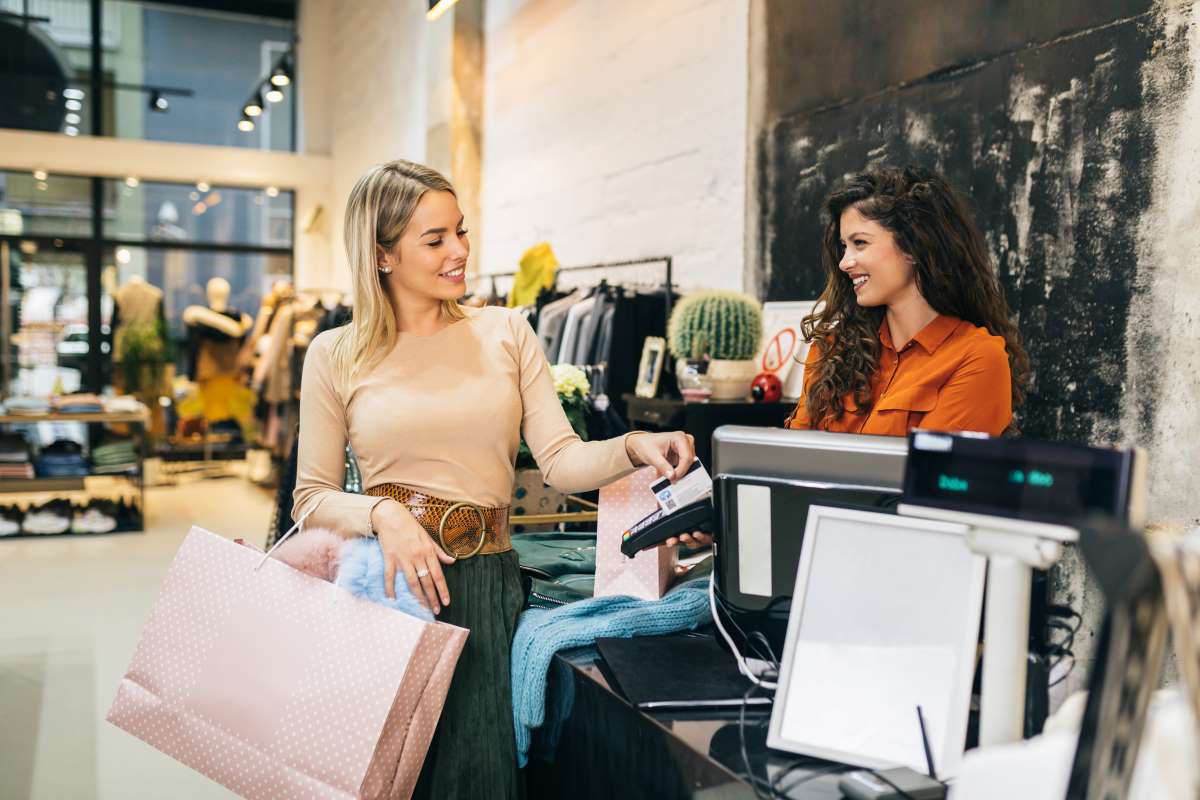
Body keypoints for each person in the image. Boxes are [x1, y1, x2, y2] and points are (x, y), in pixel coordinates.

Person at [291, 160, 695, 798]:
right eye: (435, 239)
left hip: (484, 587)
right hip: (389, 590)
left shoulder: (507, 331)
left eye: (461, 231)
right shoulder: (335, 353)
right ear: (381, 254)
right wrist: (382, 515)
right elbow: (310, 498)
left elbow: (561, 460)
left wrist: (634, 446)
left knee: (479, 777)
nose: (459, 252)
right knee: (389, 780)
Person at [786, 165, 1029, 436]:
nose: (844, 263)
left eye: (860, 243)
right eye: (844, 246)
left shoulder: (976, 359)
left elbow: (925, 473)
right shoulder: (832, 350)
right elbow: (792, 458)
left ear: (912, 246)